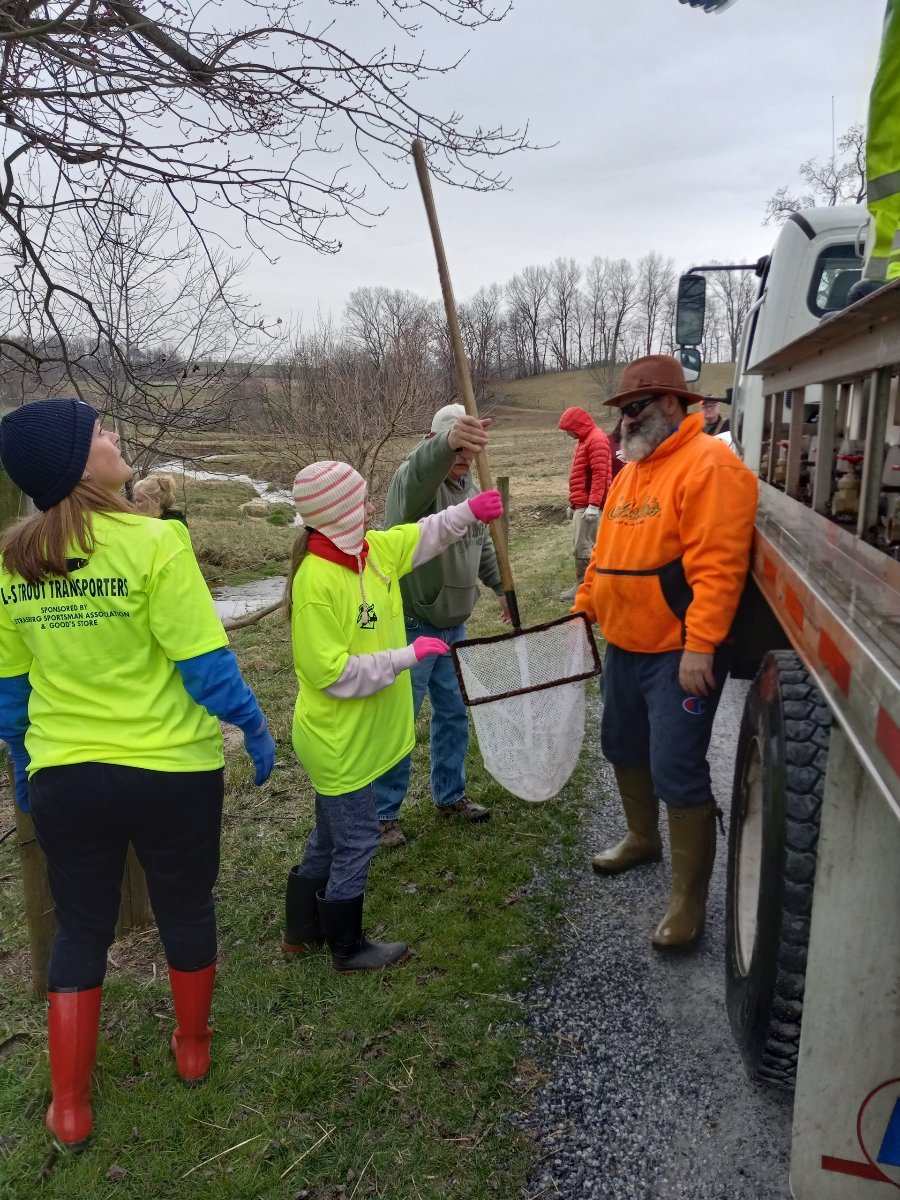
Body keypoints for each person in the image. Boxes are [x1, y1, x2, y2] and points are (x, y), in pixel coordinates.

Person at [0, 398, 275, 1149]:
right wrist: (251, 723)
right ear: (74, 464)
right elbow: (205, 663)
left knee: (80, 926)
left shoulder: (13, 561)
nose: (114, 436)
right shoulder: (156, 542)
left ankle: (69, 1106)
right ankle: (191, 1051)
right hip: (169, 772)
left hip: (67, 778)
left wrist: (24, 758)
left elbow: (10, 690)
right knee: (186, 908)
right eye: (98, 432)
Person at [283, 460, 503, 969]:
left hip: (358, 736)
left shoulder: (372, 553)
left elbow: (421, 535)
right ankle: (347, 947)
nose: (366, 510)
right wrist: (407, 655)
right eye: (357, 503)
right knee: (358, 839)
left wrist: (466, 512)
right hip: (336, 740)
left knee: (330, 835)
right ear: (336, 513)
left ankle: (301, 931)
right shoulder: (317, 582)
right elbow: (330, 674)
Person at [572, 356, 757, 951]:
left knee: (676, 768)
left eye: (638, 408)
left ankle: (687, 902)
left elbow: (720, 567)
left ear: (674, 404)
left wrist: (701, 645)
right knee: (622, 745)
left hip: (678, 652)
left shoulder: (711, 467)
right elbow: (603, 554)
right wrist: (584, 609)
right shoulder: (630, 472)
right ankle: (641, 837)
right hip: (623, 644)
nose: (625, 421)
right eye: (623, 411)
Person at [371, 403, 511, 849]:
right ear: (438, 442)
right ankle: (382, 813)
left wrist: (501, 587)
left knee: (453, 715)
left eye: (471, 451)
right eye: (458, 449)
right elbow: (419, 473)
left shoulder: (466, 483)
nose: (465, 459)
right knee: (400, 721)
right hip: (414, 625)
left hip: (455, 626)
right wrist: (448, 443)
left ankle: (449, 795)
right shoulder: (414, 482)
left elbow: (478, 545)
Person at [557, 407, 612, 603]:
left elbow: (599, 475)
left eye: (568, 429)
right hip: (582, 503)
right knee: (582, 545)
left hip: (590, 505)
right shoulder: (584, 440)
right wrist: (573, 503)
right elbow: (580, 475)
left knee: (584, 546)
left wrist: (593, 505)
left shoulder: (596, 439)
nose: (567, 433)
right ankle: (591, 585)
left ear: (577, 425)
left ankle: (585, 586)